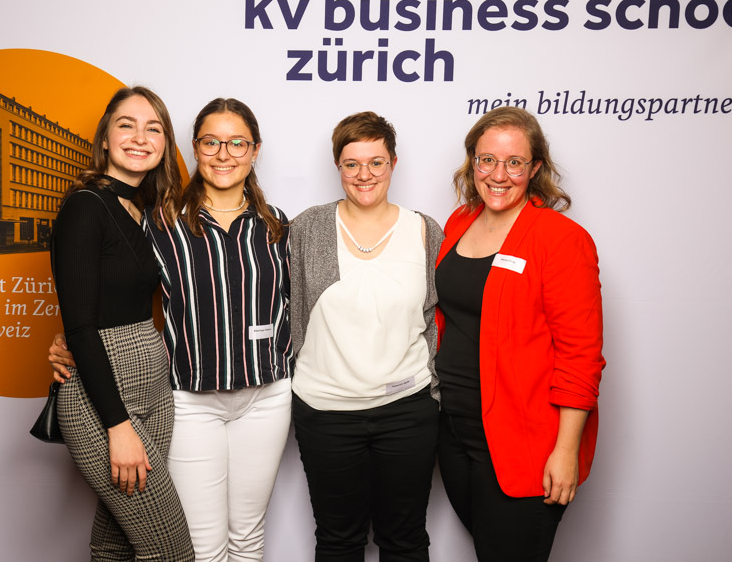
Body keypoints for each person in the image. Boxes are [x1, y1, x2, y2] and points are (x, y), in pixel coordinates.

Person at [51, 98, 292, 562]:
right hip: (190, 400)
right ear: (194, 148)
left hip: (267, 397)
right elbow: (107, 288)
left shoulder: (278, 226)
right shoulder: (159, 222)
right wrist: (68, 337)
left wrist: (73, 333)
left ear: (255, 150)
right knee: (200, 548)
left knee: (248, 537)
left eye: (237, 142)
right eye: (211, 142)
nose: (224, 154)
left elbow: (300, 306)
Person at [434, 106, 605, 562]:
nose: (499, 175)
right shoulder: (459, 223)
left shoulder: (561, 238)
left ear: (535, 167)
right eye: (487, 160)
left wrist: (565, 451)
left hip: (525, 442)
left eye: (514, 162)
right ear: (472, 162)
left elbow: (581, 356)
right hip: (456, 432)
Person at [289, 111, 443, 562]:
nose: (364, 174)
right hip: (326, 410)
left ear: (393, 163)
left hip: (408, 409)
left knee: (405, 539)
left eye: (376, 162)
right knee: (338, 541)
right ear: (338, 166)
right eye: (352, 164)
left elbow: (438, 317)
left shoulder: (424, 229)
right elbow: (285, 306)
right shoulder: (307, 227)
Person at [51, 85, 193, 561]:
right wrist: (118, 425)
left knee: (115, 545)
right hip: (103, 398)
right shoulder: (85, 206)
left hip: (152, 384)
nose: (139, 137)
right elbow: (81, 328)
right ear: (105, 138)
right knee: (170, 551)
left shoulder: (146, 210)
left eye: (153, 128)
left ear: (165, 143)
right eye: (126, 125)